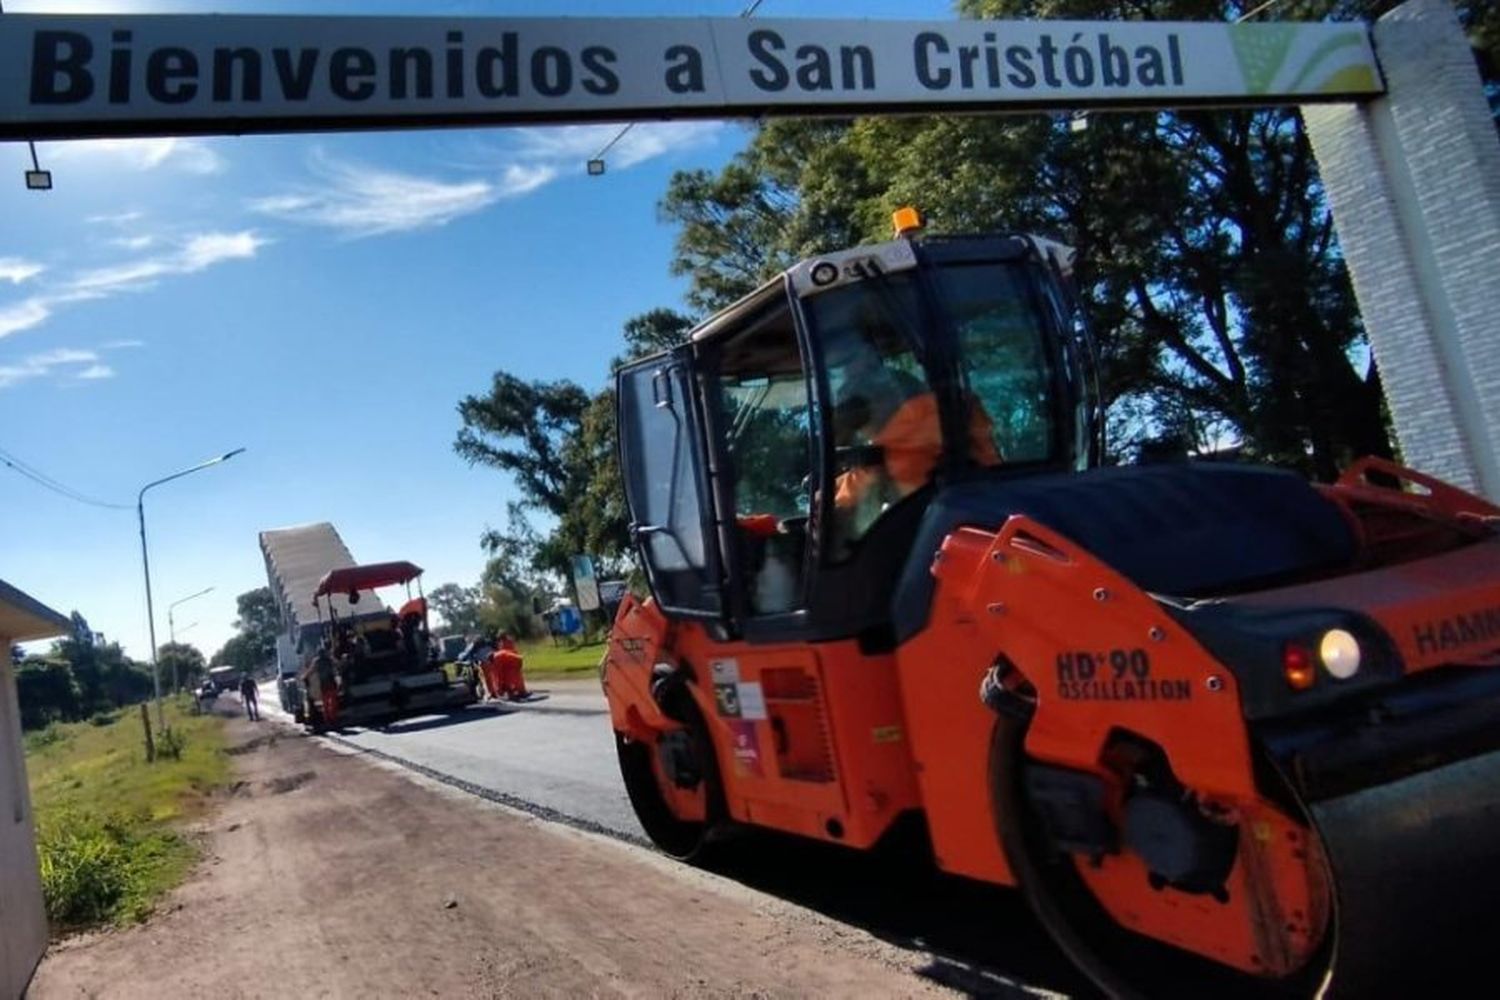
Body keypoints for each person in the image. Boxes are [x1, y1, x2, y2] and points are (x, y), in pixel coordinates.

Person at [489, 632, 530, 701]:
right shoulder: (505, 645)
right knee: (514, 679)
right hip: (511, 663)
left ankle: (516, 692)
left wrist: (499, 689)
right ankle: (517, 692)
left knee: (510, 679)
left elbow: (508, 654)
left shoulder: (500, 652)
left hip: (511, 663)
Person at [313, 640, 340, 727]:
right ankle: (332, 719)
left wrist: (304, 677)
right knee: (332, 702)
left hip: (324, 685)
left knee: (326, 703)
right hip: (330, 684)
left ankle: (328, 719)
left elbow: (311, 671)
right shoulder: (328, 660)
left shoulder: (317, 661)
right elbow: (337, 665)